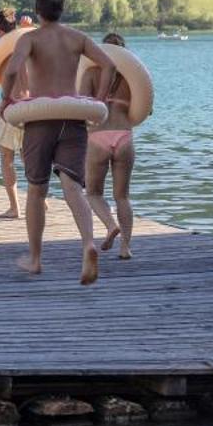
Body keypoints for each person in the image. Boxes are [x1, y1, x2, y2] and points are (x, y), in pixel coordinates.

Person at [0, 0, 115, 283]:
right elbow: (109, 65)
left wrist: (5, 101)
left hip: (40, 123)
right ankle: (88, 243)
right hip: (72, 119)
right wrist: (99, 101)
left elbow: (12, 70)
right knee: (73, 187)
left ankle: (35, 259)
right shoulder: (77, 38)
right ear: (62, 9)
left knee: (37, 190)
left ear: (38, 11)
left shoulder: (31, 39)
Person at [84, 32, 137, 260]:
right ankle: (125, 247)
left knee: (94, 193)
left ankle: (110, 224)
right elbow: (146, 109)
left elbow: (82, 107)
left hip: (97, 136)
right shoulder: (133, 78)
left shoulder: (91, 73)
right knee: (122, 196)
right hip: (124, 136)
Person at [0, 9, 27, 219]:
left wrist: (4, 105)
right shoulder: (27, 46)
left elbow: (7, 83)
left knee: (6, 156)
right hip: (31, 105)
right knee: (28, 156)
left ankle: (14, 207)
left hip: (11, 105)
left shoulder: (2, 54)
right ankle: (41, 199)